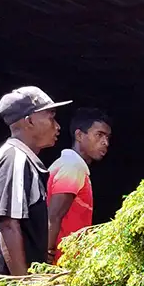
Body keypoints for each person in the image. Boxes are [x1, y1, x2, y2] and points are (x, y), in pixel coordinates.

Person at [0, 85, 71, 286]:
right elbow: (8, 224)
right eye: (50, 117)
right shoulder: (15, 159)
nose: (57, 126)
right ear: (29, 120)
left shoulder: (20, 159)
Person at [47, 107, 112, 264]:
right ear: (79, 135)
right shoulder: (73, 165)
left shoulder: (75, 165)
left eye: (108, 137)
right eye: (99, 135)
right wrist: (46, 258)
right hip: (56, 267)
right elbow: (53, 217)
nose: (105, 142)